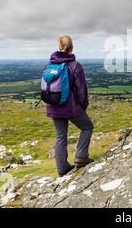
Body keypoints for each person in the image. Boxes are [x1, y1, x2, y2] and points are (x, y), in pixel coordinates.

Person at [46, 35, 94, 177]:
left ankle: (62, 169)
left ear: (59, 47)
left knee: (61, 136)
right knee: (87, 127)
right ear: (72, 48)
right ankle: (80, 156)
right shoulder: (75, 65)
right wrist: (83, 106)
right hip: (71, 107)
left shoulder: (50, 65)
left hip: (53, 105)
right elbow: (81, 90)